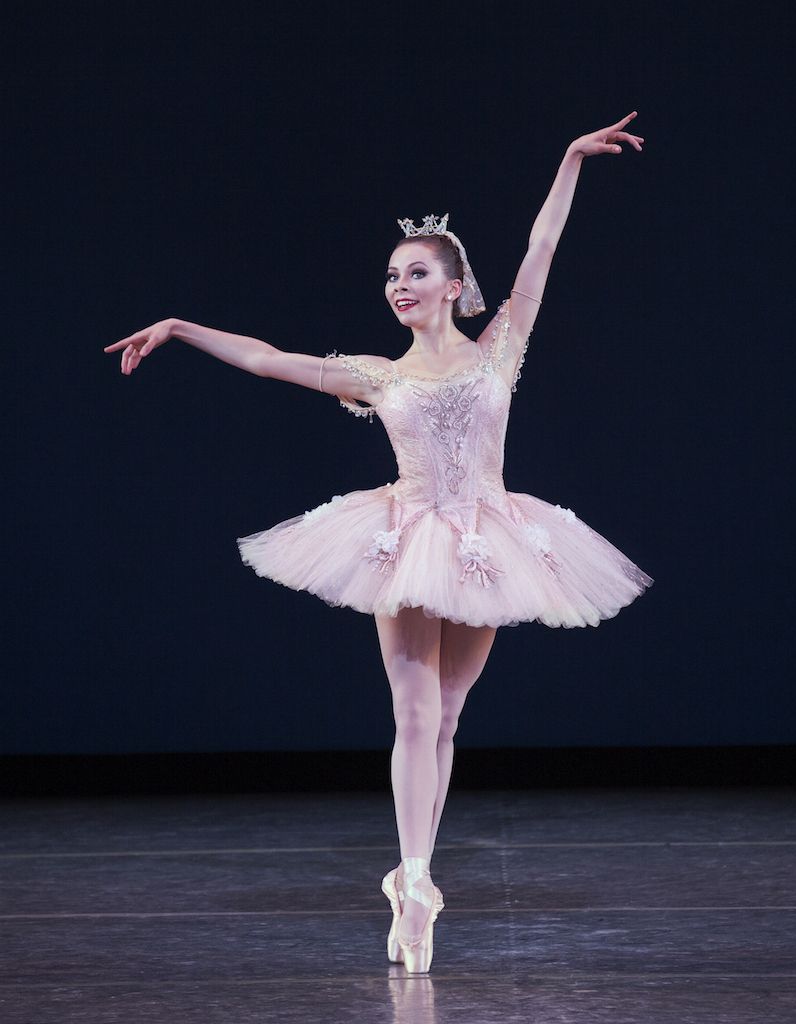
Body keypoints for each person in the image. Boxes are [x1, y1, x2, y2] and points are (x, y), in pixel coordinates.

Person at [105, 112, 651, 974]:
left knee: (450, 717)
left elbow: (545, 248)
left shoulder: (501, 347)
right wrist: (178, 326)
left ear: (453, 284)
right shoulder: (376, 374)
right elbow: (264, 358)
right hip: (403, 537)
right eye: (392, 275)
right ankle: (420, 883)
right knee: (415, 708)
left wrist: (569, 160)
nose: (399, 285)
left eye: (416, 273)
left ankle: (410, 879)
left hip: (487, 538)